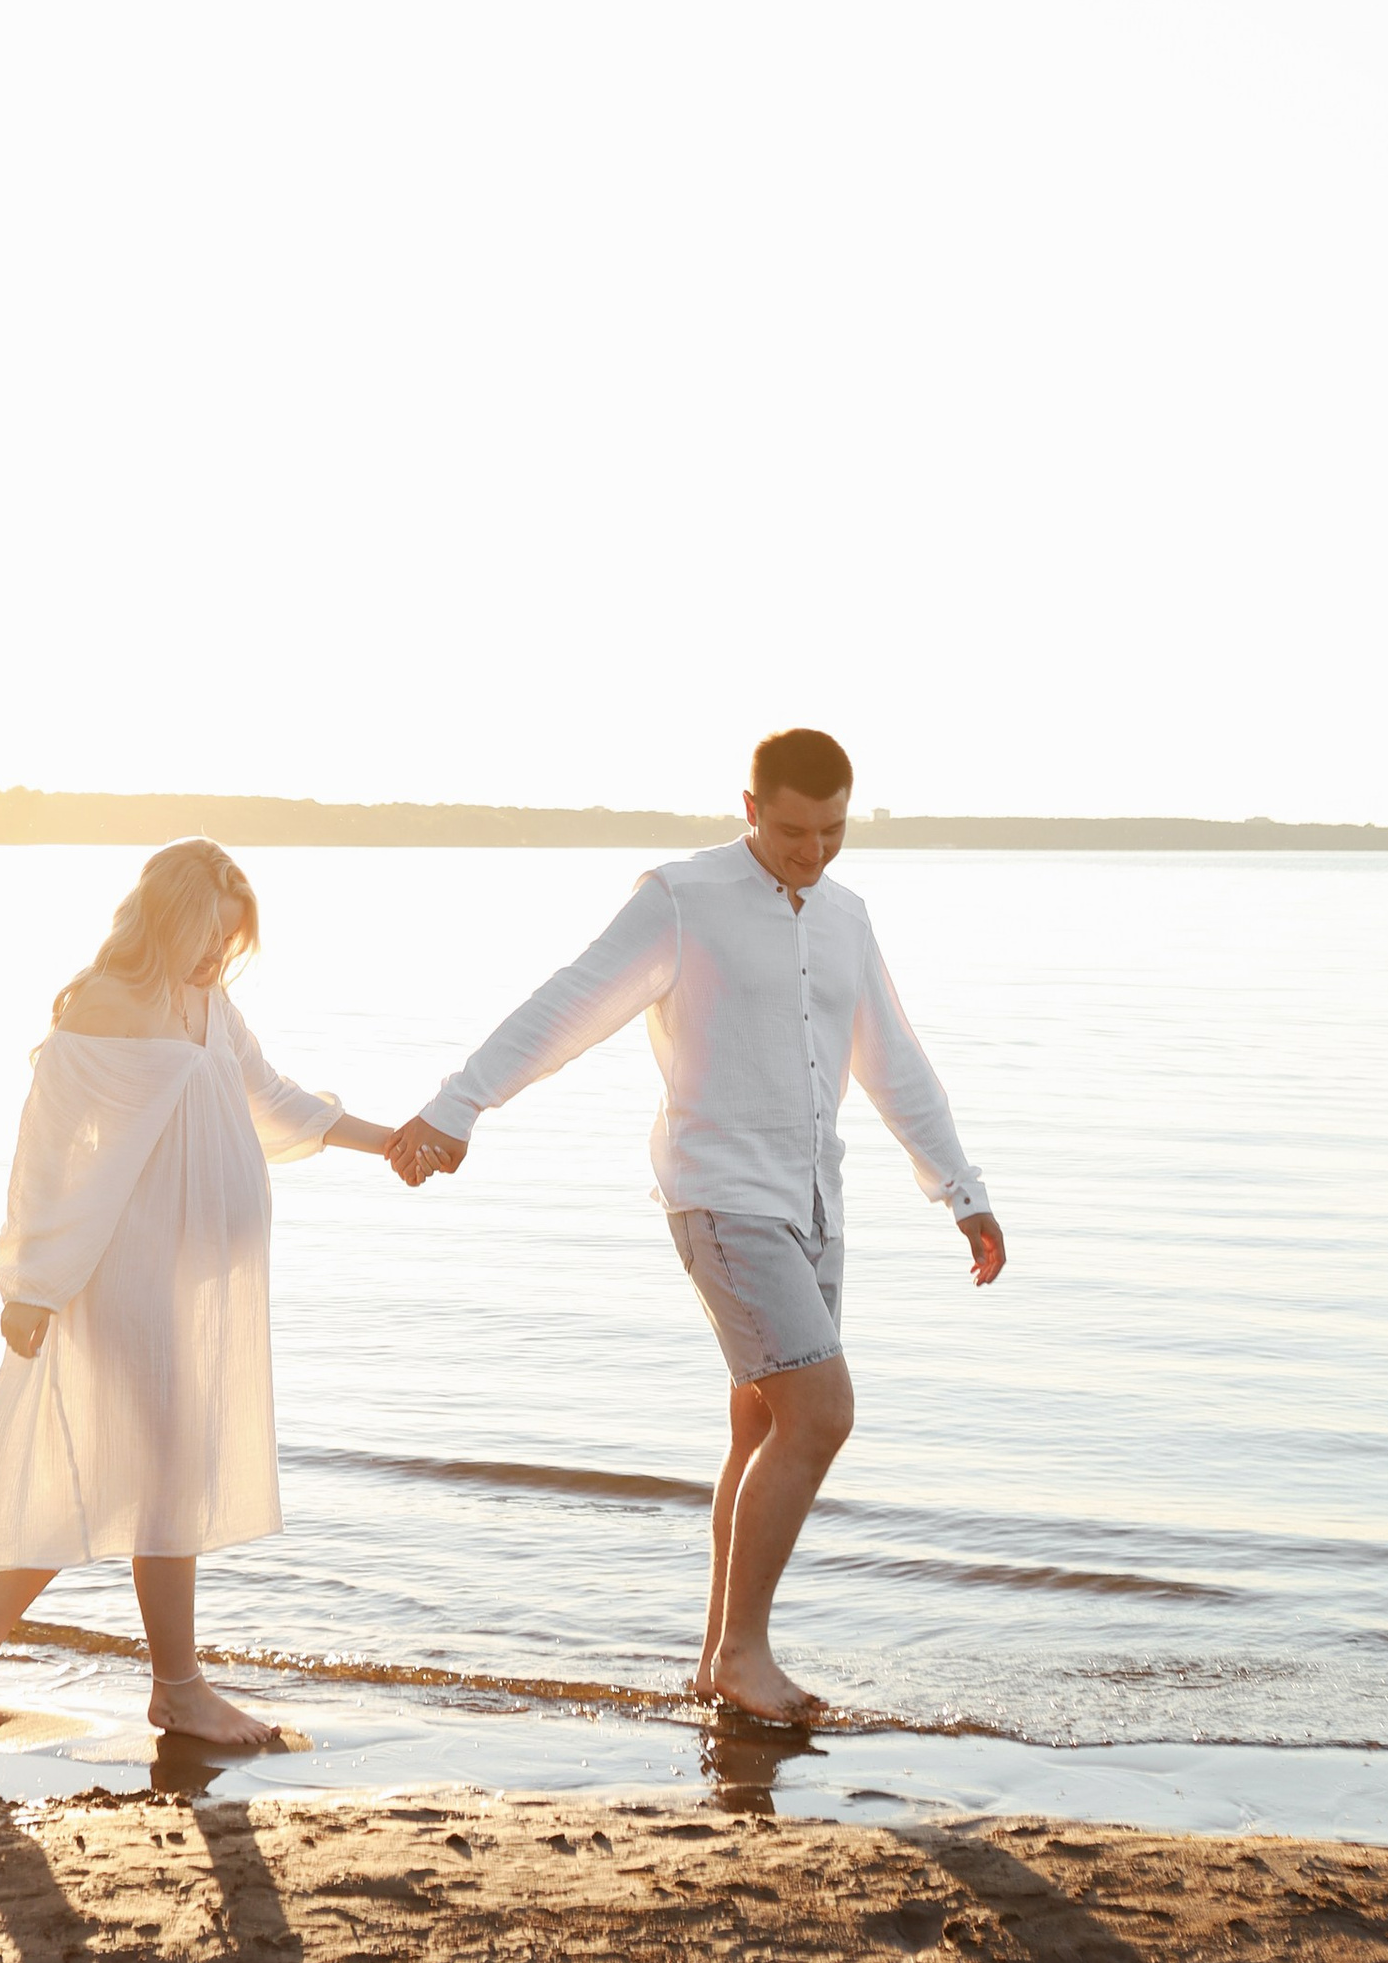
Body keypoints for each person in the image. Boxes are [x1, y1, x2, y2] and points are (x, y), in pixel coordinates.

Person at [388, 727, 1004, 1726]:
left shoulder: (846, 916)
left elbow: (892, 1058)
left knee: (763, 1426)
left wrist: (961, 1191)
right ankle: (746, 1656)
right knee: (821, 1414)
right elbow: (568, 1005)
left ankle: (720, 1659)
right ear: (751, 809)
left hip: (814, 1204)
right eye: (794, 832)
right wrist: (458, 1107)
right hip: (721, 1199)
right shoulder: (682, 899)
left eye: (833, 831)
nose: (813, 852)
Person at [0, 838, 398, 1750]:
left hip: (185, 1276)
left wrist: (391, 1143)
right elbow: (47, 1155)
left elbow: (275, 1099)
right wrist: (31, 1284)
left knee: (153, 1470)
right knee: (169, 1469)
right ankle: (176, 1690)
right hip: (124, 1270)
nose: (217, 955)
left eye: (229, 942)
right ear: (166, 919)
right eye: (206, 936)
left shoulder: (209, 1003)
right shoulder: (106, 1005)